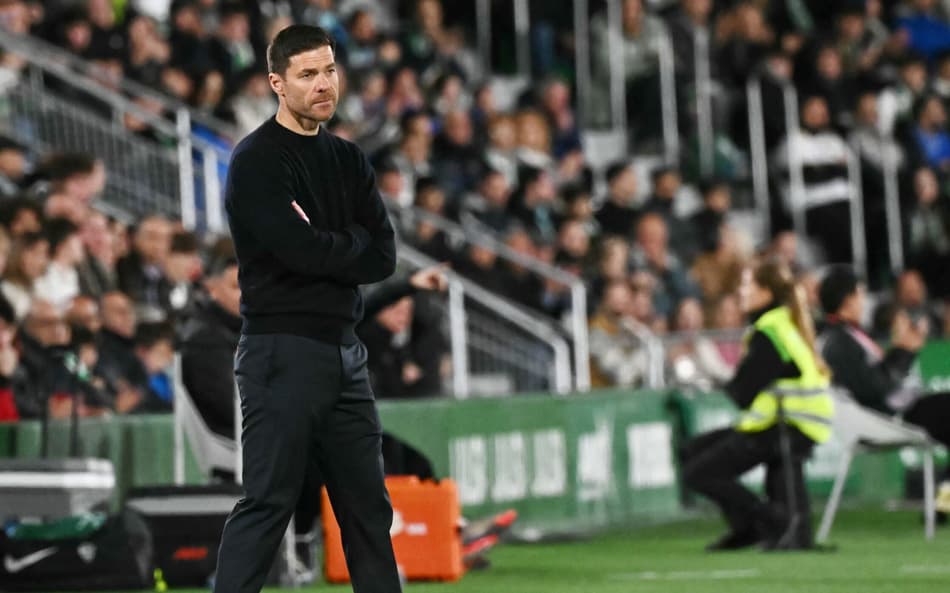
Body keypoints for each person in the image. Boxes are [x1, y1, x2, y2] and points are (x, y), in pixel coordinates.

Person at [214, 25, 401, 593]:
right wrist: (349, 244)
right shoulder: (256, 162)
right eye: (307, 74)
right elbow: (298, 251)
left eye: (329, 70)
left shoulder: (348, 158)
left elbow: (385, 255)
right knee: (268, 504)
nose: (324, 84)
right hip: (281, 352)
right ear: (277, 83)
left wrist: (330, 245)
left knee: (369, 512)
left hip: (345, 354)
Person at [681, 258, 833, 551]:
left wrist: (712, 379)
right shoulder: (781, 324)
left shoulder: (770, 332)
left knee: (698, 472)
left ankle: (767, 519)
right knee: (692, 452)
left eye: (747, 284)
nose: (741, 291)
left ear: (766, 293)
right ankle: (750, 528)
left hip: (787, 425)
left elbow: (743, 393)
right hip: (792, 422)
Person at [818, 265, 950, 511]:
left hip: (895, 411)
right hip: (888, 417)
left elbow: (876, 377)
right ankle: (945, 495)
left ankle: (944, 496)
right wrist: (904, 351)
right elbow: (874, 388)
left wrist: (904, 349)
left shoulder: (846, 336)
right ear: (847, 300)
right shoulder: (838, 343)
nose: (864, 301)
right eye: (860, 294)